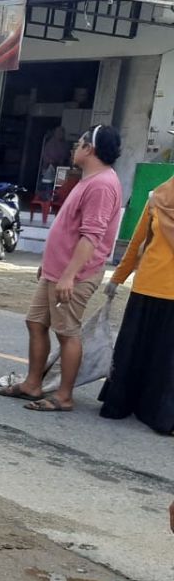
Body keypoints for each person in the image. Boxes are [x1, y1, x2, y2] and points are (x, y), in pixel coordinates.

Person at [0, 125, 123, 412]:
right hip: (58, 270)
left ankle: (64, 396)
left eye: (79, 143)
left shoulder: (102, 184)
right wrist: (50, 265)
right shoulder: (89, 180)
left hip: (74, 274)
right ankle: (32, 384)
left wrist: (68, 275)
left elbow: (92, 236)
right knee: (36, 322)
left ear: (90, 148)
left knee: (67, 332)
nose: (74, 147)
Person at [99, 175, 174, 434]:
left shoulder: (157, 198)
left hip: (151, 288)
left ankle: (130, 406)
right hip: (153, 289)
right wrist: (117, 278)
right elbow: (137, 242)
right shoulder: (156, 198)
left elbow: (136, 244)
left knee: (143, 353)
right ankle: (155, 413)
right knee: (162, 359)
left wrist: (118, 278)